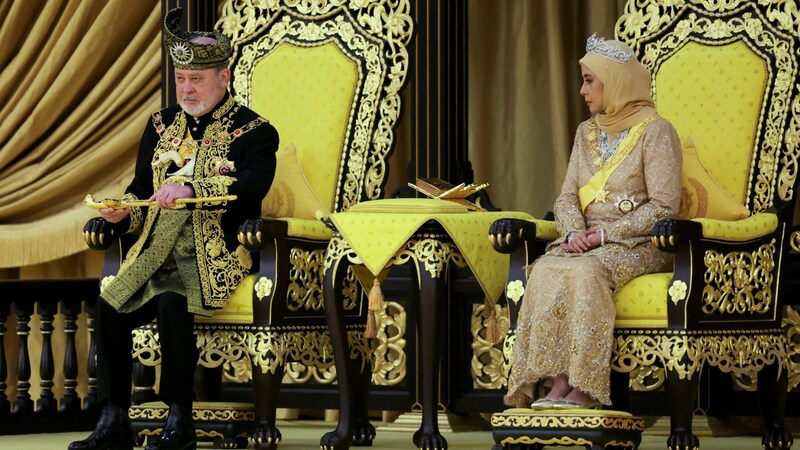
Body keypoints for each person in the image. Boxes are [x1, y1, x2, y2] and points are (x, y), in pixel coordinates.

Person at [70, 8, 278, 450]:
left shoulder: (256, 131)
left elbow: (251, 186)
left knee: (170, 303)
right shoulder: (160, 125)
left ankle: (179, 418)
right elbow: (142, 189)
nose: (186, 88)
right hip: (153, 252)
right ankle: (113, 419)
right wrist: (123, 212)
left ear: (224, 77)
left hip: (214, 252)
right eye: (181, 78)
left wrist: (190, 188)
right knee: (110, 304)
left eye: (195, 80)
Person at [503, 34, 682, 410]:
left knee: (586, 271)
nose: (583, 90)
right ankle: (555, 382)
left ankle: (584, 385)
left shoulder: (656, 131)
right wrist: (573, 233)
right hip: (585, 241)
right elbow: (567, 196)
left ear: (615, 80)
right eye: (583, 79)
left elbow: (665, 207)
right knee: (547, 267)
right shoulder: (586, 132)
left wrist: (604, 234)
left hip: (640, 245)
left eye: (589, 80)